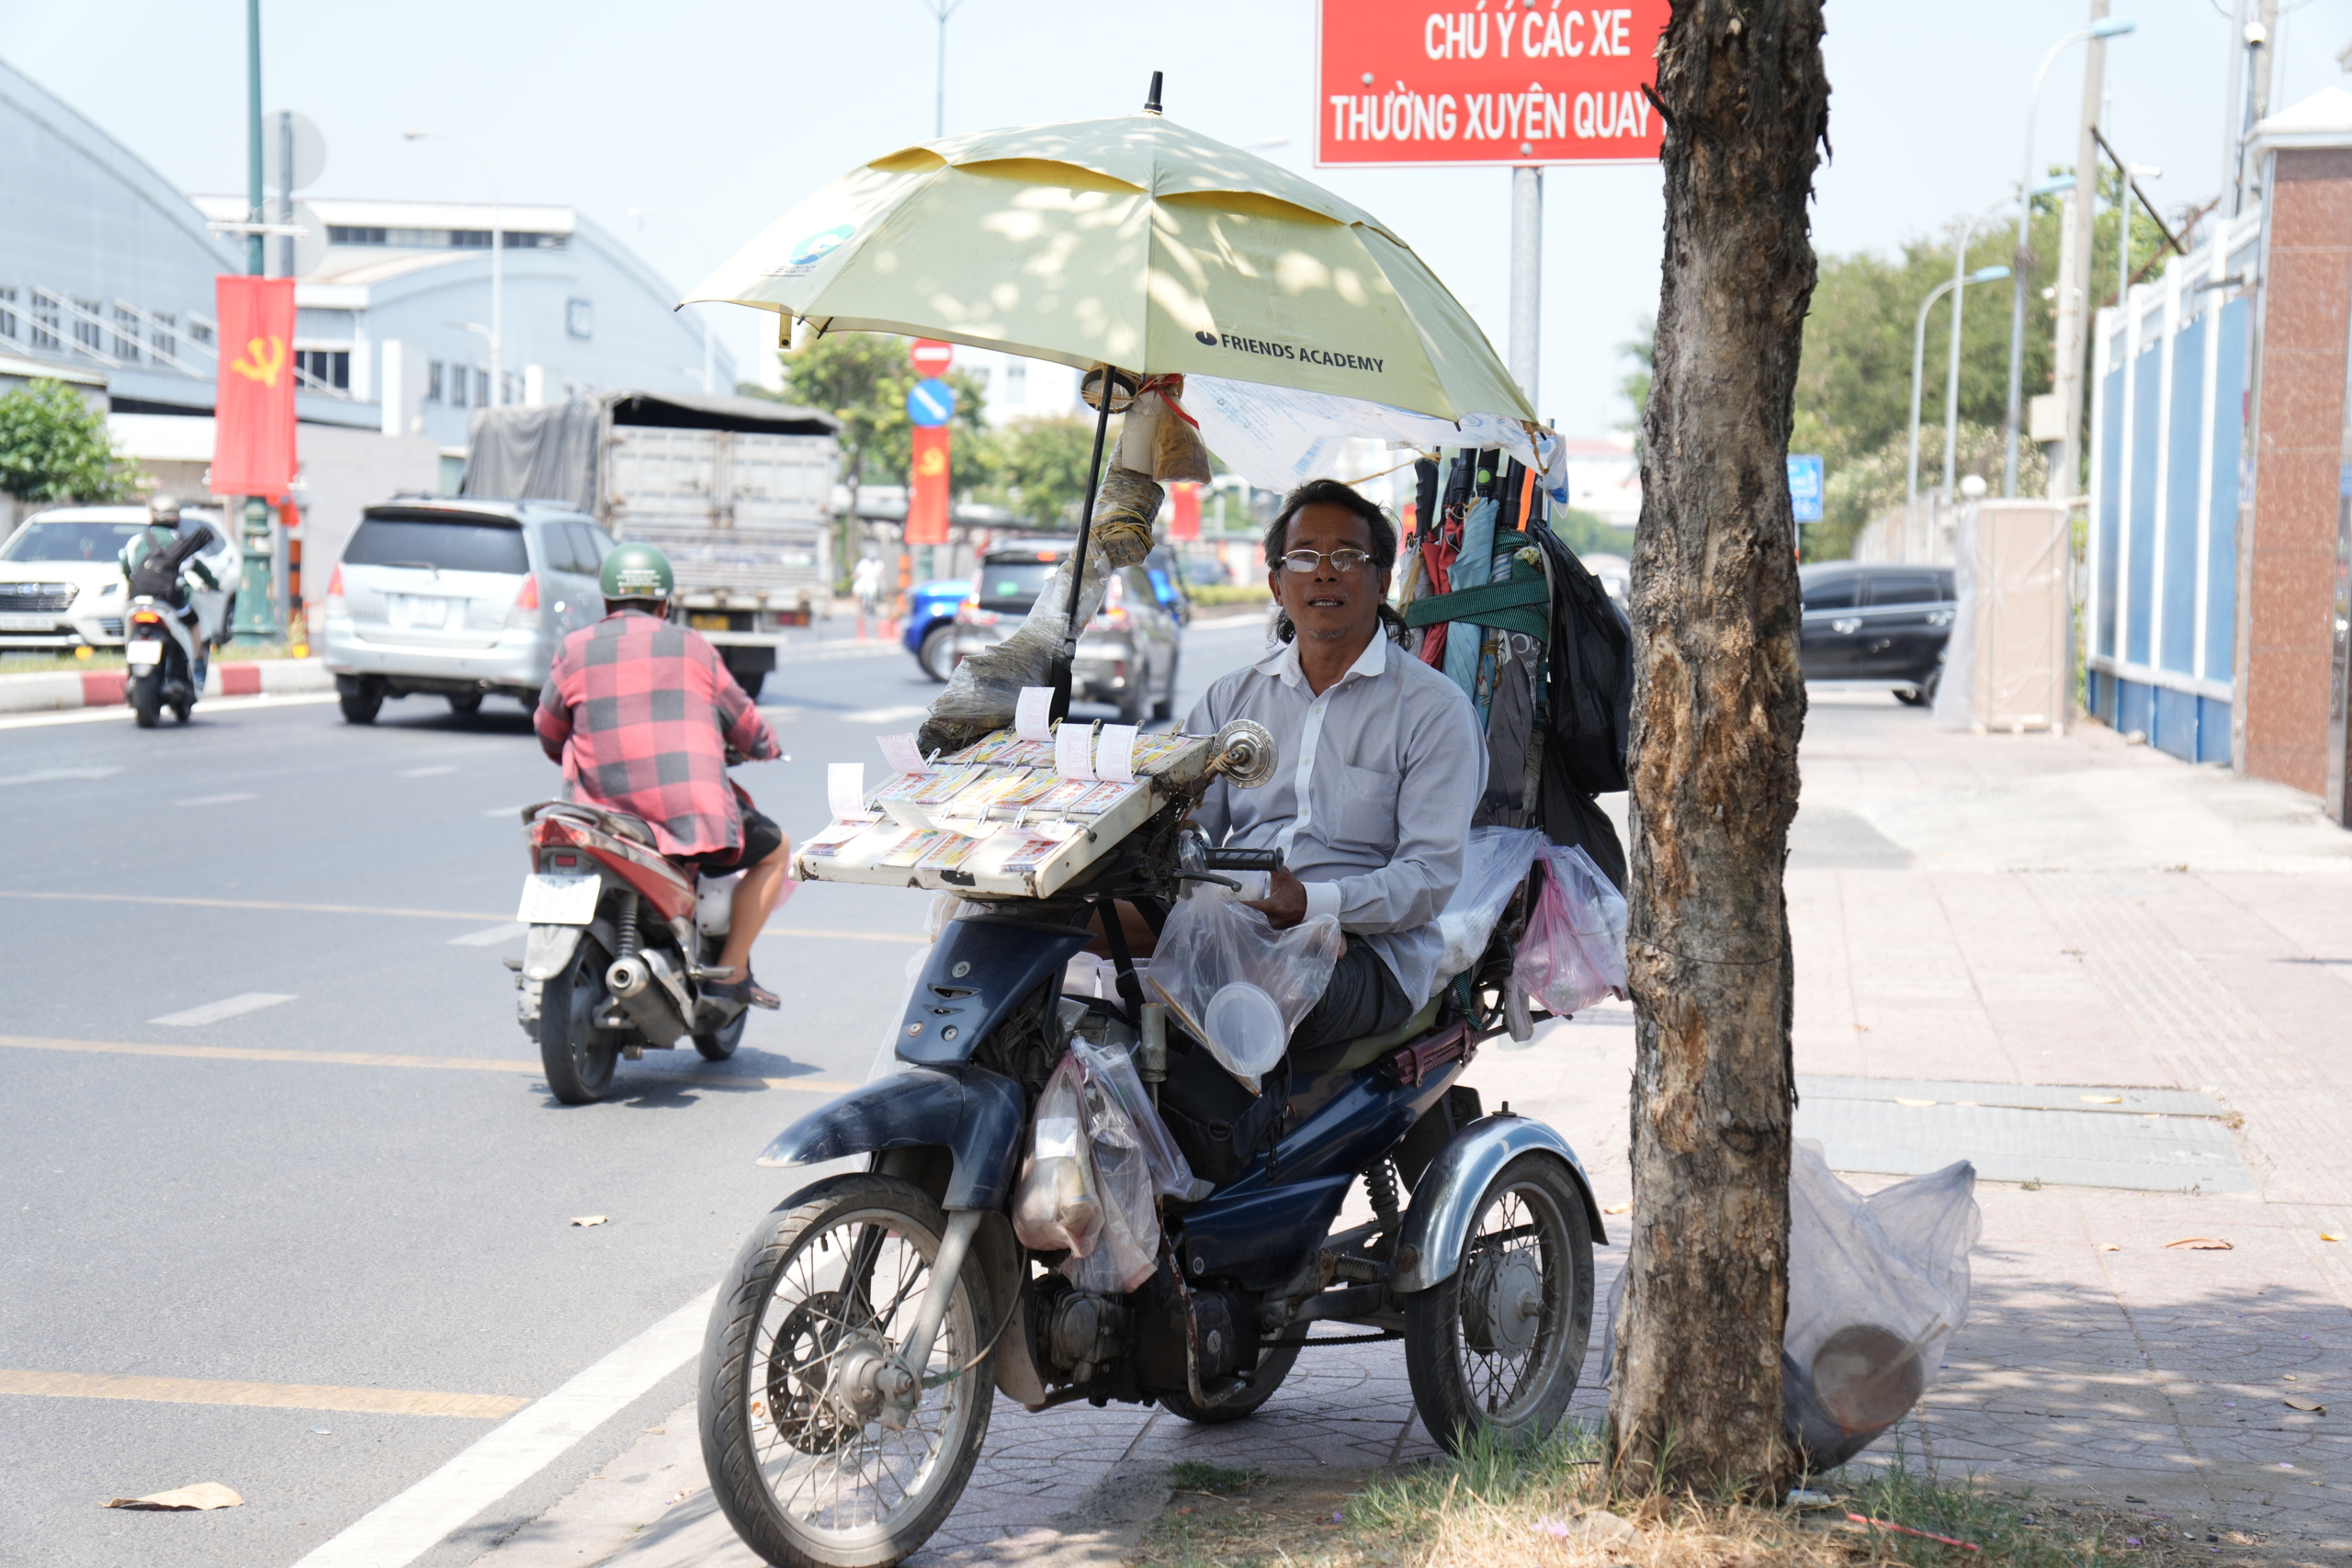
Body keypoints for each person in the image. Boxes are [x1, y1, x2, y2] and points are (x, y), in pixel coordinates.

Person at [1183, 479, 1485, 1052]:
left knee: (1262, 984)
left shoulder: (1433, 710)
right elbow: (1189, 824)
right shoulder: (1231, 700)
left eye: (1348, 556)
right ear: (1277, 583)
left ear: (1382, 580)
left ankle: (1230, 1140)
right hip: (1238, 922)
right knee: (1075, 933)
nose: (1324, 573)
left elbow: (1428, 880)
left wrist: (1319, 910)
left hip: (1371, 952)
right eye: (1303, 558)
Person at [533, 543, 791, 1010]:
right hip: (685, 819)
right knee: (776, 850)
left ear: (607, 601)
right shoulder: (692, 646)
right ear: (665, 603)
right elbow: (746, 726)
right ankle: (730, 973)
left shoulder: (574, 648)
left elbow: (549, 732)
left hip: (597, 819)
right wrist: (767, 748)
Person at [118, 494, 220, 682]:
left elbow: (126, 566)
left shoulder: (137, 541)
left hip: (138, 597)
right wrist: (214, 584)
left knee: (128, 625)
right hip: (170, 600)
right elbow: (197, 567)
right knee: (194, 622)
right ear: (176, 518)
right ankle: (196, 664)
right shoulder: (180, 543)